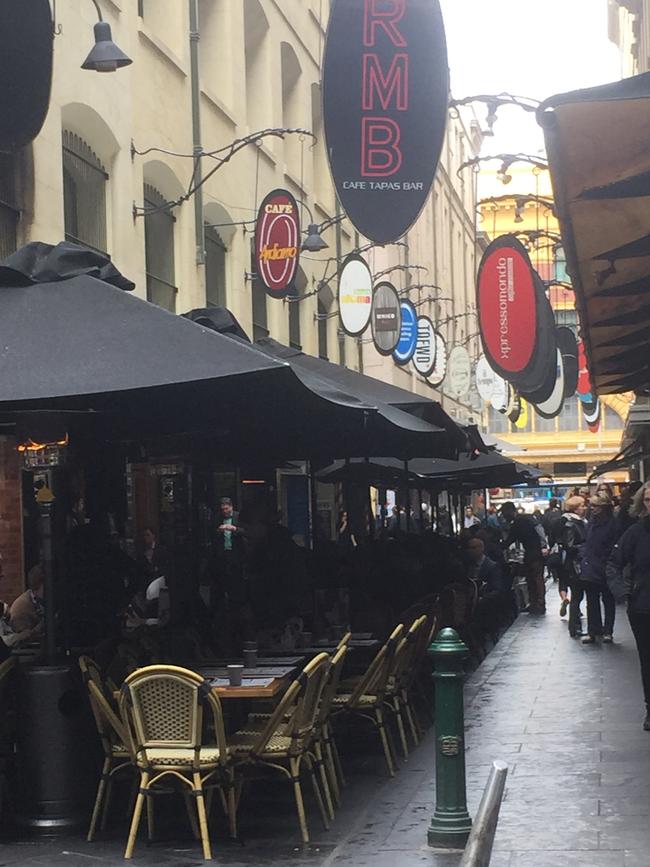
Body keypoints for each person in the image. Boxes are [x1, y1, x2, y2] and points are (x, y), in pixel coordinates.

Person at [607, 482, 650, 731]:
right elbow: (613, 563)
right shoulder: (635, 533)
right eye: (647, 500)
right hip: (643, 606)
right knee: (647, 659)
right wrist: (623, 592)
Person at [580, 494, 618, 644]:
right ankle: (593, 631)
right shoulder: (591, 523)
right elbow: (587, 542)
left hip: (605, 566)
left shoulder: (612, 524)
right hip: (591, 565)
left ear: (603, 507)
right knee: (592, 600)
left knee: (608, 599)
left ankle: (608, 631)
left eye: (595, 506)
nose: (592, 508)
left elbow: (613, 544)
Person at [500, 501, 547, 615]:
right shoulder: (528, 518)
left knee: (534, 578)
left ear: (510, 511)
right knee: (534, 578)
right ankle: (536, 603)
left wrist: (500, 545)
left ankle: (537, 604)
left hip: (532, 552)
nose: (504, 516)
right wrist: (544, 545)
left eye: (504, 513)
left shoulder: (517, 522)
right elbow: (540, 530)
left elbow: (510, 539)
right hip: (535, 552)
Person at [559, 496, 588, 638]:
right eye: (582, 505)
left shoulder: (581, 523)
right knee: (577, 596)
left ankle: (576, 625)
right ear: (575, 508)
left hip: (580, 563)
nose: (585, 508)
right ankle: (574, 626)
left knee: (578, 595)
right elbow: (569, 546)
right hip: (575, 564)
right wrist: (584, 548)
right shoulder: (571, 525)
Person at [9, 564, 45, 634]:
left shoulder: (37, 600)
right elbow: (23, 640)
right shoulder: (21, 608)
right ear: (38, 584)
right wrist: (43, 625)